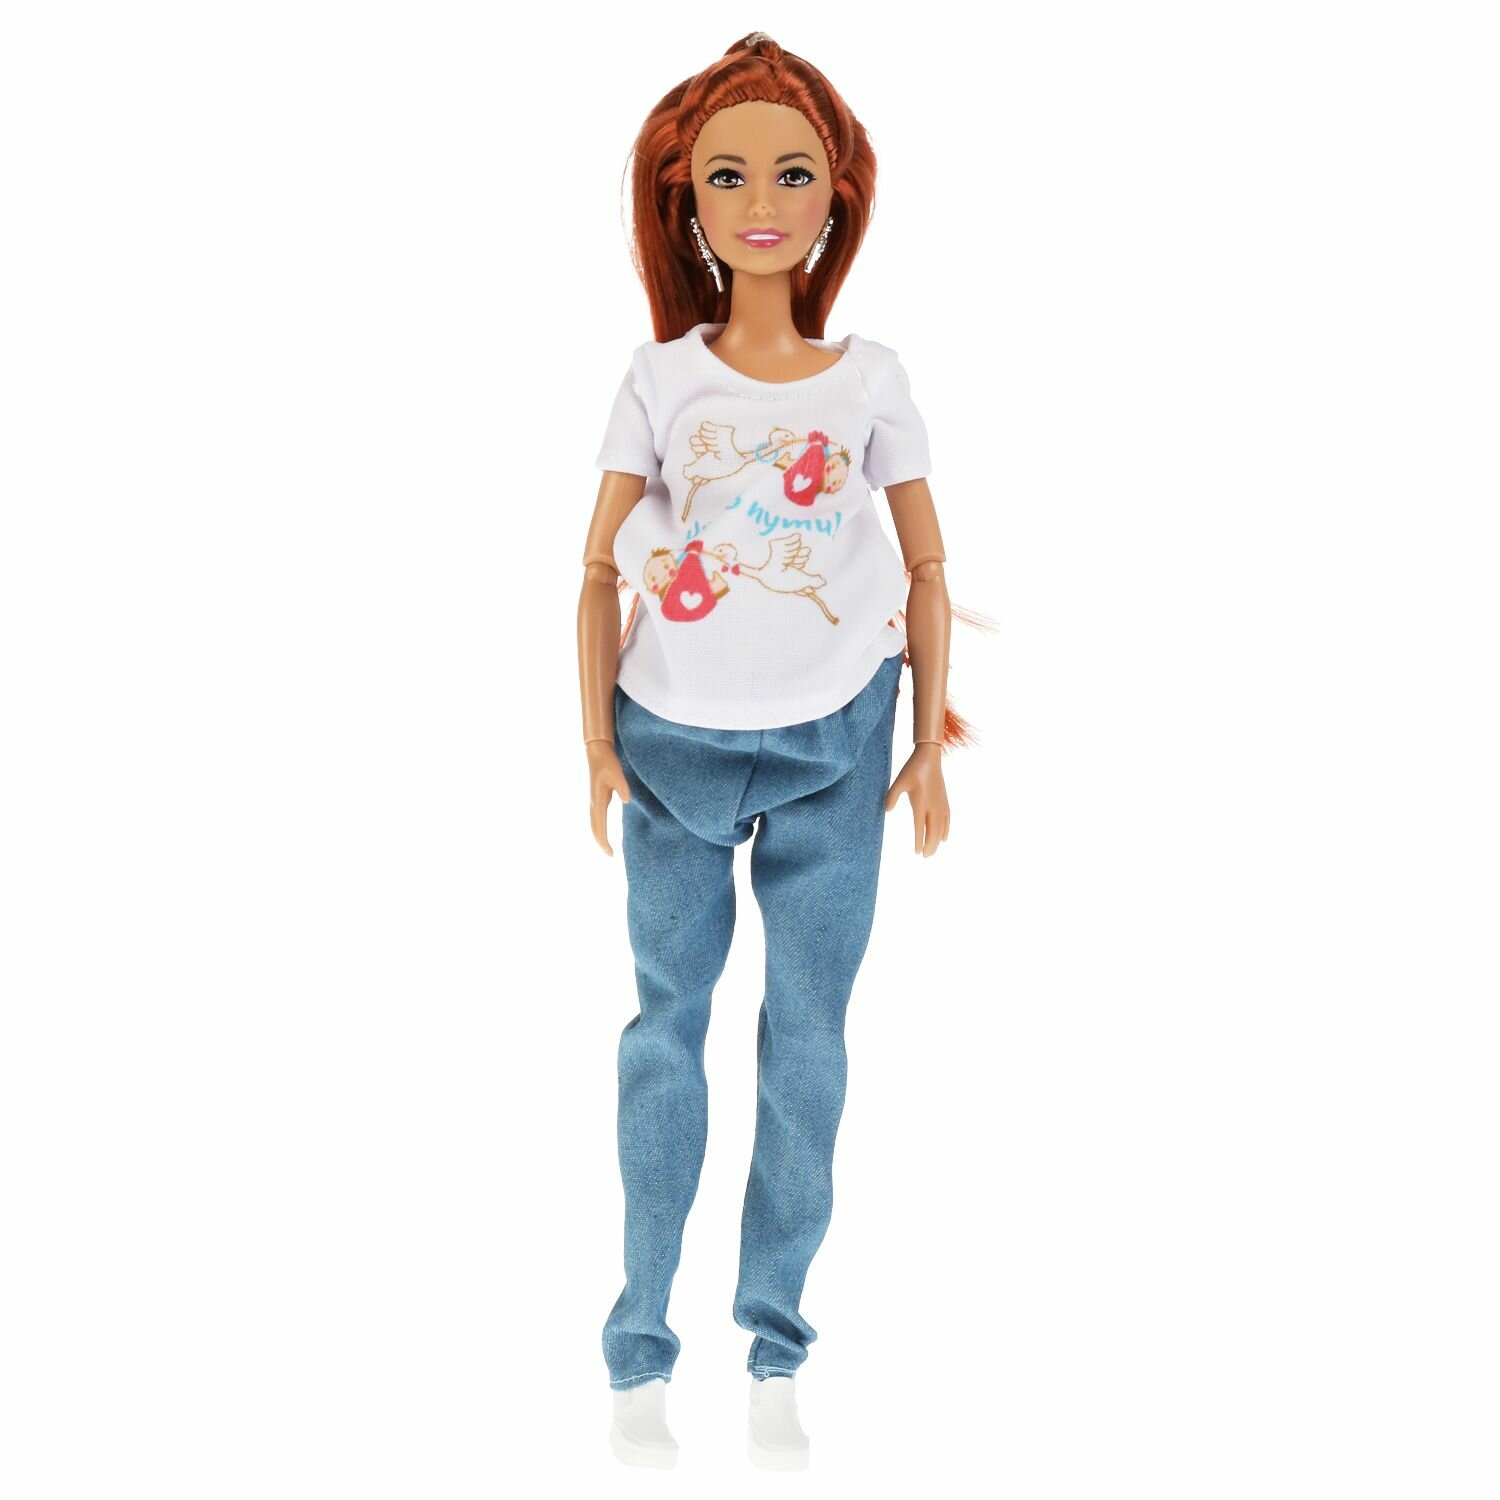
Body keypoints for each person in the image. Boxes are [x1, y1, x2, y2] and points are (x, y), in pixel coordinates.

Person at [576, 31, 986, 1471]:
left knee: (807, 1037)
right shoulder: (659, 376)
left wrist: (927, 741)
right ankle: (639, 1342)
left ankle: (775, 1343)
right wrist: (594, 740)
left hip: (839, 733)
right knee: (665, 1032)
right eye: (730, 175)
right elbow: (595, 567)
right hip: (672, 739)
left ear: (838, 196)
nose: (763, 203)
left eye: (794, 175)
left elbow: (928, 565)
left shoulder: (870, 379)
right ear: (685, 199)